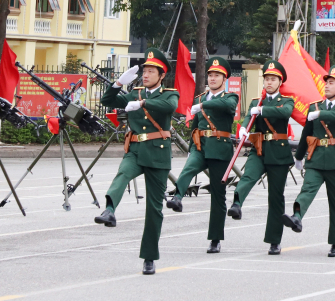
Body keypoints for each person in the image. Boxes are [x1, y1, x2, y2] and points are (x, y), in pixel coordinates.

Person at [95, 48, 179, 275]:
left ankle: (149, 257)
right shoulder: (135, 93)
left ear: (162, 75)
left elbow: (169, 107)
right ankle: (109, 210)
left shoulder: (169, 93)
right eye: (145, 71)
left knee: (154, 208)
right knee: (122, 174)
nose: (146, 74)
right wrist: (118, 84)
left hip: (158, 154)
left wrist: (143, 105)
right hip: (135, 150)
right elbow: (107, 101)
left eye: (151, 71)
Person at [166, 57, 239, 253]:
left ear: (224, 78)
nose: (213, 78)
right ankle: (178, 198)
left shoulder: (231, 97)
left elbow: (226, 107)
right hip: (201, 146)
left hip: (220, 150)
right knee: (189, 167)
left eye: (217, 75)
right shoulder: (200, 98)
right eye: (210, 75)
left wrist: (205, 106)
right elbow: (196, 127)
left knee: (218, 195)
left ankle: (215, 239)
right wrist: (192, 147)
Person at [282, 65, 335, 257]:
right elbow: (307, 132)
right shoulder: (314, 106)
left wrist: (321, 114)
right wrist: (298, 156)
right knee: (306, 191)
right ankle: (297, 216)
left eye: (332, 83)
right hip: (315, 158)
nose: (327, 86)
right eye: (326, 82)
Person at [228, 60, 295, 255]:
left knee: (275, 198)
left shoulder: (286, 101)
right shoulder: (256, 101)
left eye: (273, 79)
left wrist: (263, 111)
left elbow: (285, 113)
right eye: (266, 78)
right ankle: (237, 204)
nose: (269, 82)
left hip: (279, 153)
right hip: (259, 149)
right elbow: (249, 116)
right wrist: (242, 127)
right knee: (248, 176)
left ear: (279, 82)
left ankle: (274, 240)